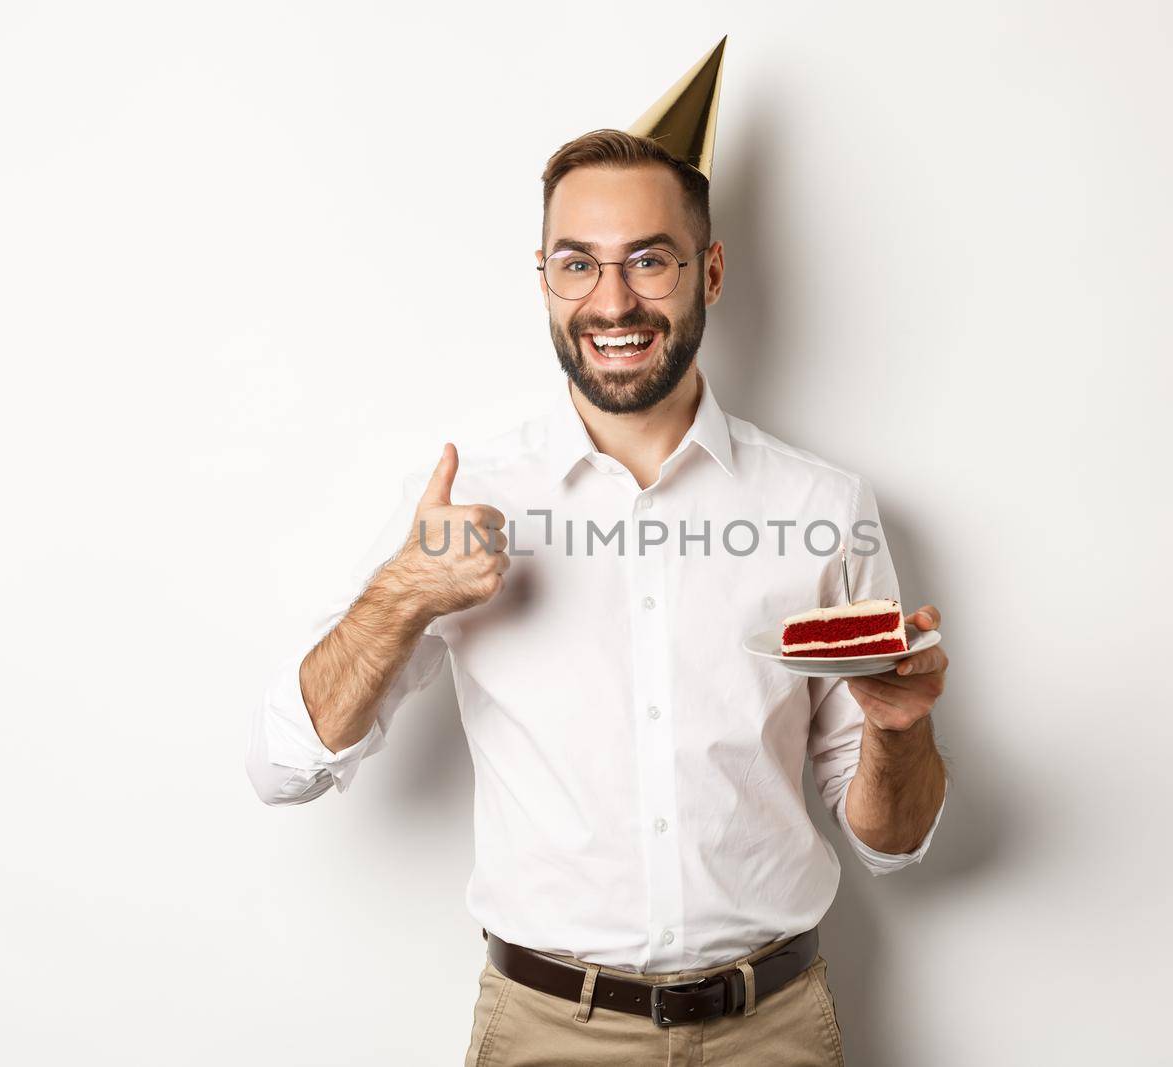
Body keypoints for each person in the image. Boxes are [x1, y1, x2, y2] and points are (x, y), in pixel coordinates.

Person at [245, 36, 950, 1066]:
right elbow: (279, 768)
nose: (612, 302)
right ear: (544, 279)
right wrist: (399, 597)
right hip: (544, 1033)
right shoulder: (466, 496)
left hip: (773, 1030)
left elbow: (896, 841)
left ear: (706, 268)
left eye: (648, 260)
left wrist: (894, 732)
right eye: (578, 263)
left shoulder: (821, 504)